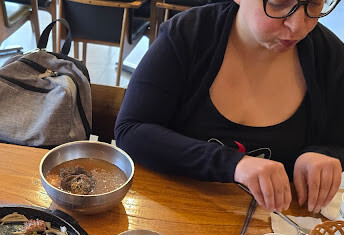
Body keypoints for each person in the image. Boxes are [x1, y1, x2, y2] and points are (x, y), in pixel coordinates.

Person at [115, 0, 344, 212]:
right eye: (278, 4)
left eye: (314, 4)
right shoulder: (188, 35)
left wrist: (323, 154)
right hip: (175, 208)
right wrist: (234, 164)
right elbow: (131, 130)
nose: (297, 26)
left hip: (273, 228)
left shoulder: (331, 58)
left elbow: (338, 143)